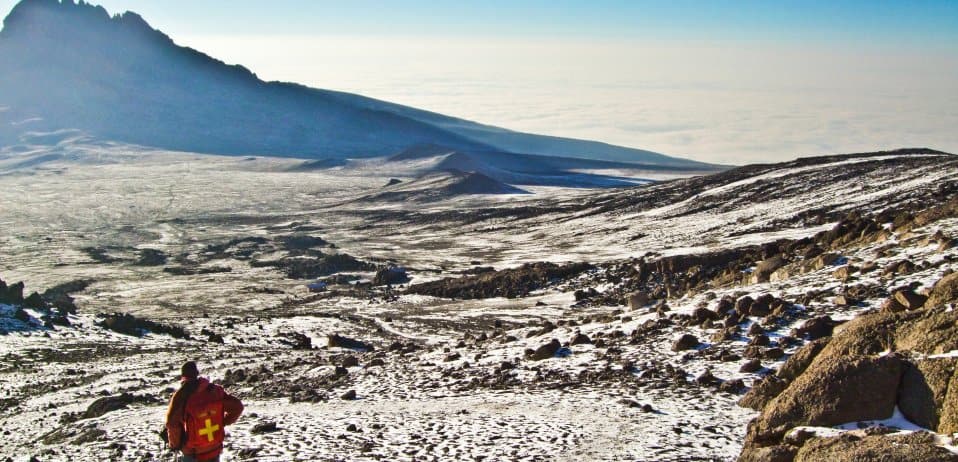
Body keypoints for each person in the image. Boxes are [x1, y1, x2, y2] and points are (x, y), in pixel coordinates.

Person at [165, 361, 244, 462]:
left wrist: (175, 445)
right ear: (197, 373)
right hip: (214, 447)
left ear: (183, 376)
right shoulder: (214, 390)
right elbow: (237, 407)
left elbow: (172, 424)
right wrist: (222, 422)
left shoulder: (181, 396)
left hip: (193, 452)